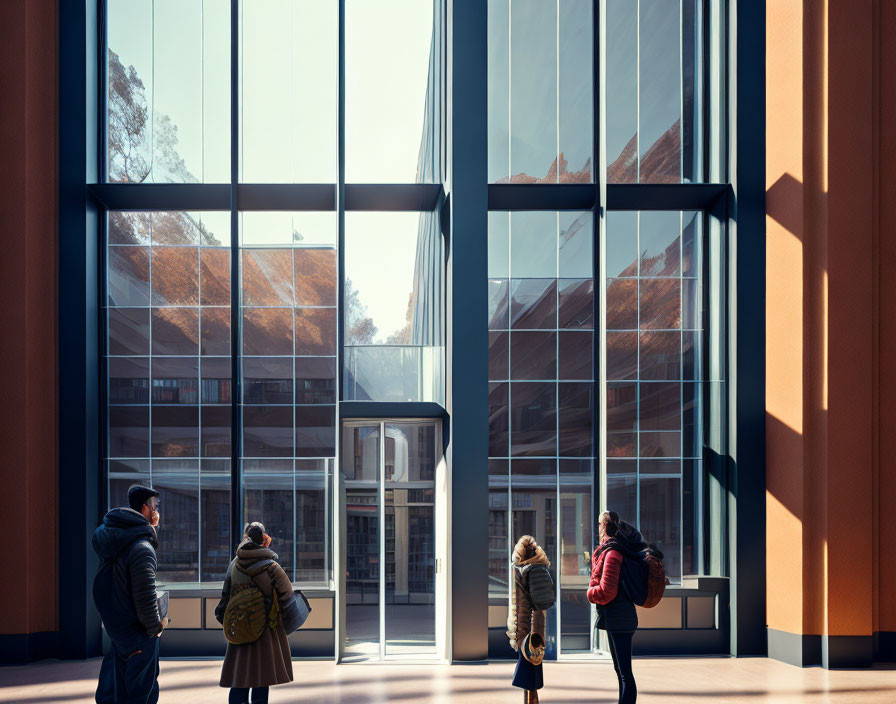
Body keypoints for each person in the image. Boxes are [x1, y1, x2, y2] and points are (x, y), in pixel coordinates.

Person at [93, 484, 168, 704]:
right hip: (138, 632)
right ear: (145, 509)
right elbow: (144, 597)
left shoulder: (118, 539)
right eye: (155, 506)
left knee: (120, 692)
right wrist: (155, 629)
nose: (157, 512)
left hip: (118, 629)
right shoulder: (142, 548)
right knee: (141, 693)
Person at [216, 522, 294, 704]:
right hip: (265, 630)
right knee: (261, 678)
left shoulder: (234, 564)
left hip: (239, 628)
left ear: (245, 538)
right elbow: (287, 593)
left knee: (239, 678)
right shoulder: (271, 566)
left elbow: (225, 596)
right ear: (265, 540)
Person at [588, 510, 641, 704]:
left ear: (604, 527)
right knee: (620, 670)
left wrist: (589, 593)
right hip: (616, 617)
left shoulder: (612, 553)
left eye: (599, 525)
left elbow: (606, 591)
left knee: (625, 672)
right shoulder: (611, 550)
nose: (598, 529)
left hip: (621, 618)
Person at [507, 535, 550, 704]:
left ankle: (531, 700)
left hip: (526, 628)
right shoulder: (539, 569)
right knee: (533, 666)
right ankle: (532, 699)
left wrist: (523, 634)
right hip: (531, 628)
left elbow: (525, 606)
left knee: (529, 666)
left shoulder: (526, 571)